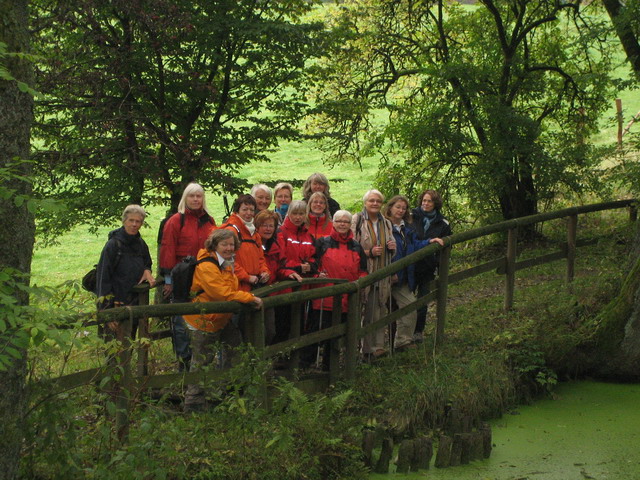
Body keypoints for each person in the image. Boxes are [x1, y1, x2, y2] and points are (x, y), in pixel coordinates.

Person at [183, 229, 263, 412]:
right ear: (215, 245)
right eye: (224, 244)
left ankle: (224, 391)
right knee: (203, 359)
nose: (229, 248)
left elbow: (229, 288)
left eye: (231, 244)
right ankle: (193, 402)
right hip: (203, 320)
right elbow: (220, 293)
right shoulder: (207, 265)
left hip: (221, 318)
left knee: (234, 349)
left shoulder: (226, 263)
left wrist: (241, 296)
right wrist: (248, 298)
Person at [159, 182, 217, 371]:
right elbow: (168, 249)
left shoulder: (209, 222)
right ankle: (183, 361)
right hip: (181, 276)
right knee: (181, 320)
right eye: (192, 196)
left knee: (202, 317)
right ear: (186, 198)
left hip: (204, 277)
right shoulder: (176, 221)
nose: (195, 199)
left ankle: (201, 361)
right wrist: (168, 279)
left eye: (198, 196)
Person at [302, 210, 367, 369]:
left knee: (337, 336)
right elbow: (313, 265)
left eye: (346, 221)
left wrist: (360, 282)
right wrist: (317, 275)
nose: (342, 224)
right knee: (315, 333)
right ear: (333, 223)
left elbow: (363, 270)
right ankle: (304, 366)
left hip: (346, 300)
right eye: (339, 221)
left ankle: (329, 368)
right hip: (323, 298)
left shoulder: (357, 246)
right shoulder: (322, 243)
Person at [384, 195, 444, 351]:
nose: (401, 210)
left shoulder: (406, 228)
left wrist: (429, 242)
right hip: (383, 276)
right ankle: (371, 349)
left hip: (402, 277)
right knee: (375, 313)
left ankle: (402, 342)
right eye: (398, 207)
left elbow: (414, 244)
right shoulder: (382, 226)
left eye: (404, 208)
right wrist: (389, 272)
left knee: (410, 306)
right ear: (390, 207)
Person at [96, 205, 156, 337]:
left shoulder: (141, 244)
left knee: (129, 342)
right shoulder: (113, 245)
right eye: (131, 220)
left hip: (133, 303)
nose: (134, 224)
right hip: (115, 304)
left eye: (138, 221)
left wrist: (147, 270)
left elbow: (147, 262)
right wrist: (107, 312)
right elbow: (103, 278)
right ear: (124, 221)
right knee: (113, 348)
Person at [351, 189, 396, 360]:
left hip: (382, 271)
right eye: (371, 201)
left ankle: (377, 347)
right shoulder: (358, 220)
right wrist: (368, 252)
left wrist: (393, 247)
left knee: (379, 308)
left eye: (378, 201)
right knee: (366, 310)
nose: (375, 204)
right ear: (365, 203)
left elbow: (391, 242)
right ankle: (365, 349)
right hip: (365, 272)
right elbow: (353, 245)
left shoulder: (386, 222)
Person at [411, 189, 452, 343]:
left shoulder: (443, 223)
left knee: (422, 300)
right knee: (405, 299)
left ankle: (418, 331)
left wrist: (440, 267)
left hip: (427, 267)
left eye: (429, 201)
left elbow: (447, 247)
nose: (425, 204)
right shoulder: (412, 216)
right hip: (410, 264)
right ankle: (400, 333)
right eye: (424, 200)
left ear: (435, 204)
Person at [220, 195, 271, 292]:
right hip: (236, 286)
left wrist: (264, 271)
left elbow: (260, 258)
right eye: (244, 209)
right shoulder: (231, 231)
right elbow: (226, 260)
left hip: (253, 285)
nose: (248, 213)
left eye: (251, 210)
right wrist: (246, 277)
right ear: (237, 210)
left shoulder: (254, 234)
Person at [255, 210, 282, 344]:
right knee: (256, 331)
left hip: (270, 294)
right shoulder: (252, 244)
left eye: (271, 226)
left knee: (270, 331)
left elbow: (281, 266)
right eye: (264, 225)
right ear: (257, 227)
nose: (268, 229)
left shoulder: (275, 246)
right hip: (254, 292)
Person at [276, 200, 318, 282]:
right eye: (294, 213)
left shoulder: (309, 236)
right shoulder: (281, 233)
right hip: (287, 281)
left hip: (306, 282)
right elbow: (280, 260)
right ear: (289, 214)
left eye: (301, 214)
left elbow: (314, 258)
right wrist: (299, 267)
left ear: (305, 215)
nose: (298, 217)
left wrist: (310, 266)